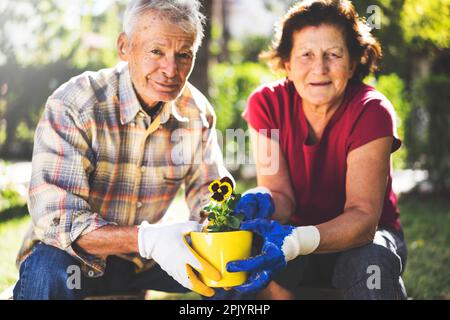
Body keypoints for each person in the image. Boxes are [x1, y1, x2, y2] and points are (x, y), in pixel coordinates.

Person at [13, 0, 239, 300]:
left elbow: (210, 195)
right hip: (74, 261)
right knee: (48, 270)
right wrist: (148, 239)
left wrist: (216, 228)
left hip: (140, 263)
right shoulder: (76, 104)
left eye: (183, 55)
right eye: (156, 51)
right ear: (124, 47)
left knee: (234, 270)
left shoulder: (196, 113)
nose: (171, 70)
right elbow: (57, 221)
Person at [227, 0, 408, 300]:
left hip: (362, 240)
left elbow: (363, 220)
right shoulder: (266, 104)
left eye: (333, 54)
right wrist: (264, 203)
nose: (319, 68)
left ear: (352, 63)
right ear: (287, 64)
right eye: (306, 55)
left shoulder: (372, 111)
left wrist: (299, 240)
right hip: (289, 239)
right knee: (242, 267)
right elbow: (281, 196)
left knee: (370, 262)